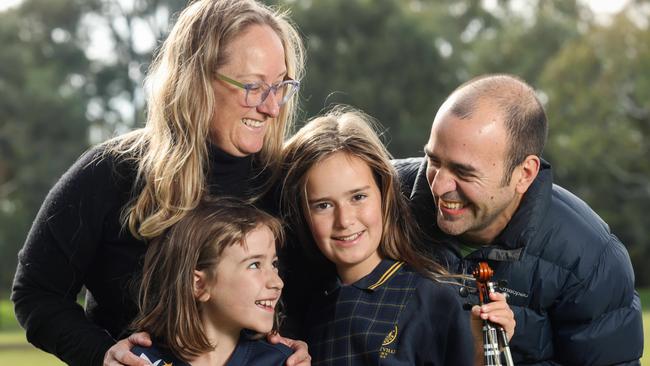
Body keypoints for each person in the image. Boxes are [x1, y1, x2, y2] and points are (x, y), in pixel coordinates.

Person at [11, 1, 311, 365]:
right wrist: (100, 355)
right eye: (253, 86)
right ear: (196, 79)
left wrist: (300, 342)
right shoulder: (111, 172)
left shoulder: (286, 182)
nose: (272, 107)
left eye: (281, 87)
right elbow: (37, 293)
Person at [394, 74, 644, 365]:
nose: (438, 186)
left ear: (524, 174)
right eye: (433, 161)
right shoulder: (373, 198)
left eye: (464, 173)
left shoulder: (592, 260)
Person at [280, 107, 515, 365]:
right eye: (323, 205)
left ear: (384, 193)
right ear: (302, 214)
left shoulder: (432, 298)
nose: (344, 221)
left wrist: (482, 352)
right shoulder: (309, 310)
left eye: (358, 197)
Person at [130, 198, 292, 366]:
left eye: (274, 264)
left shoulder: (283, 361)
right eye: (254, 265)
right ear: (198, 284)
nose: (277, 282)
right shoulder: (139, 360)